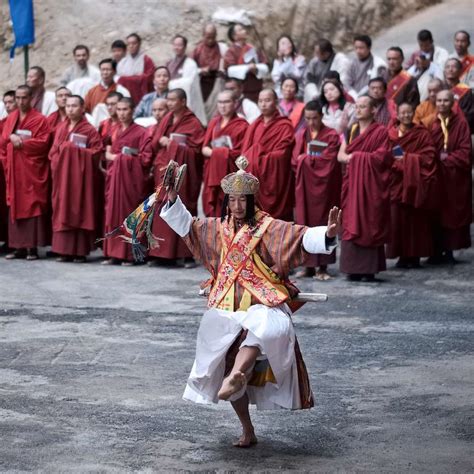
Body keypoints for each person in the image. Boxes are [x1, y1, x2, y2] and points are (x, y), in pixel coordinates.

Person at [159, 155, 341, 448]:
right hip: (227, 307)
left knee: (265, 326)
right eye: (232, 200)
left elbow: (298, 236)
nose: (238, 206)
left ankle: (238, 374)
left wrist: (328, 234)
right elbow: (187, 226)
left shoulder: (268, 228)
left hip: (262, 301)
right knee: (216, 341)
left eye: (243, 200)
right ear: (226, 201)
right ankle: (247, 425)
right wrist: (172, 199)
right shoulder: (216, 229)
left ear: (252, 200)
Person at [337, 96, 393, 281]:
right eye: (357, 106)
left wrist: (357, 157)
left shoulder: (381, 132)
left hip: (371, 186)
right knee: (351, 220)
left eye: (363, 106)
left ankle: (368, 270)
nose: (359, 109)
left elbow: (383, 157)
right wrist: (357, 157)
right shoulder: (351, 130)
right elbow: (341, 155)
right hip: (352, 184)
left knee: (370, 221)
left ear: (373, 110)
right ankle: (352, 268)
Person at [148, 88, 205, 267]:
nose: (169, 103)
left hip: (183, 175)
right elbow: (156, 140)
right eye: (168, 100)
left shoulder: (193, 122)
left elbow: (196, 150)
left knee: (182, 208)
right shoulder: (167, 118)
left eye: (173, 100)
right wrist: (163, 142)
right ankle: (160, 253)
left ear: (183, 101)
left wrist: (173, 144)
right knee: (160, 209)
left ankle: (185, 254)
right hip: (164, 169)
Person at [49, 95, 103, 263]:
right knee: (61, 209)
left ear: (82, 109)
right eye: (68, 106)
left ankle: (79, 252)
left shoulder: (89, 130)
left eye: (74, 106)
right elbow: (53, 152)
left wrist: (72, 151)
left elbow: (96, 152)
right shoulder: (61, 127)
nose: (70, 109)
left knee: (80, 210)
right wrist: (64, 154)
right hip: (62, 179)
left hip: (80, 182)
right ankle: (63, 251)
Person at [292, 100, 342, 280]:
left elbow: (329, 162)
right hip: (304, 188)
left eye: (314, 118)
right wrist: (304, 160)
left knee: (324, 224)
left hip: (324, 189)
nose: (311, 122)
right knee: (304, 224)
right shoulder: (302, 134)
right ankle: (308, 266)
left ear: (321, 116)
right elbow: (294, 160)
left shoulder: (331, 135)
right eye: (307, 118)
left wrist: (306, 160)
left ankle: (323, 267)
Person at [0, 86, 51, 260]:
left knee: (32, 204)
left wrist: (21, 142)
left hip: (31, 171)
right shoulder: (11, 118)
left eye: (24, 98)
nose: (21, 101)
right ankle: (18, 247)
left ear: (31, 98)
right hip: (14, 171)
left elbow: (43, 143)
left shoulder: (40, 119)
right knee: (15, 204)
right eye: (18, 98)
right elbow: (3, 140)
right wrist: (11, 140)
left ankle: (32, 248)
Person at [386, 102, 438, 268]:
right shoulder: (392, 134)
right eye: (403, 113)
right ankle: (401, 255)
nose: (406, 116)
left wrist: (407, 159)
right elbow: (389, 156)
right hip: (397, 182)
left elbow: (430, 156)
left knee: (416, 221)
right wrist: (404, 162)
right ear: (398, 115)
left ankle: (414, 256)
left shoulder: (421, 133)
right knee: (398, 219)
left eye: (409, 112)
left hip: (415, 182)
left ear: (413, 113)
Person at [102, 97, 152, 265]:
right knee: (112, 213)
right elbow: (107, 154)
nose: (122, 113)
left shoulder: (142, 132)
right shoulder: (113, 130)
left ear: (132, 111)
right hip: (114, 179)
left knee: (130, 216)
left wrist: (125, 159)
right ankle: (112, 253)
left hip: (131, 182)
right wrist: (120, 158)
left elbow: (146, 158)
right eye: (119, 109)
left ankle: (129, 255)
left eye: (125, 109)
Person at [429, 90, 472, 263]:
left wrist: (448, 159)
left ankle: (449, 251)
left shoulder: (461, 123)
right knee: (434, 212)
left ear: (452, 102)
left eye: (445, 100)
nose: (442, 104)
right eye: (439, 100)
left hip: (454, 177)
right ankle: (435, 250)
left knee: (452, 212)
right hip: (435, 176)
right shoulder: (430, 122)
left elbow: (466, 151)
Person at [241, 89, 295, 221]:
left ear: (276, 102)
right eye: (260, 101)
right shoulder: (254, 125)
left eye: (267, 100)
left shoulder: (284, 126)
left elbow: (282, 155)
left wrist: (257, 157)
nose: (263, 104)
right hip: (254, 179)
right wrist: (254, 156)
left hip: (274, 179)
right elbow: (244, 154)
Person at [201, 90, 248, 217]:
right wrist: (216, 153)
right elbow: (204, 148)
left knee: (229, 209)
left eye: (226, 102)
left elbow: (242, 153)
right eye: (220, 102)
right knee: (214, 210)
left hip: (230, 172)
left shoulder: (242, 125)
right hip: (213, 171)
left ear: (235, 103)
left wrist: (216, 153)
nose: (223, 105)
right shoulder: (213, 122)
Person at [224, 23, 269, 102]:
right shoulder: (231, 51)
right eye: (241, 30)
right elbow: (230, 70)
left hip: (256, 88)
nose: (244, 31)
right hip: (241, 90)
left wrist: (256, 69)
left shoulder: (252, 49)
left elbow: (264, 65)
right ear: (234, 36)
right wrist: (247, 68)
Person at [116, 33, 156, 105]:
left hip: (141, 95)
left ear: (139, 44)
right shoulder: (122, 63)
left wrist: (129, 79)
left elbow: (150, 77)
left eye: (134, 43)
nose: (131, 46)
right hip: (126, 95)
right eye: (129, 44)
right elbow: (119, 80)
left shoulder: (146, 60)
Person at [0, 91, 17, 253]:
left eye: (11, 102)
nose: (7, 105)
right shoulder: (2, 123)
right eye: (5, 102)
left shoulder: (23, 123)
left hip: (17, 170)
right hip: (2, 170)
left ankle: (14, 241)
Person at [347, 35, 387, 99]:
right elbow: (347, 83)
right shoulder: (352, 64)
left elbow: (381, 86)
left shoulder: (379, 65)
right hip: (354, 98)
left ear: (369, 48)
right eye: (356, 48)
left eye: (361, 48)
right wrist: (354, 95)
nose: (358, 51)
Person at [192, 23, 224, 102]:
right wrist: (201, 70)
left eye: (213, 37)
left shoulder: (222, 48)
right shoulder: (197, 50)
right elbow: (190, 68)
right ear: (203, 35)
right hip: (202, 82)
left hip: (217, 82)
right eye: (208, 38)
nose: (210, 40)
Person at [443, 58, 474, 132]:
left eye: (454, 67)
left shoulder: (466, 91)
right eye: (447, 67)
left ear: (460, 71)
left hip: (457, 130)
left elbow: (469, 115)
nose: (450, 69)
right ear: (444, 71)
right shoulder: (438, 88)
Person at [271, 35, 306, 99]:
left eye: (288, 43)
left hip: (297, 90)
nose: (286, 45)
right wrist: (281, 60)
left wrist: (287, 61)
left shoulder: (300, 59)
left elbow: (297, 75)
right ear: (278, 48)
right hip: (281, 91)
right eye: (283, 44)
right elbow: (275, 77)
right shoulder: (277, 61)